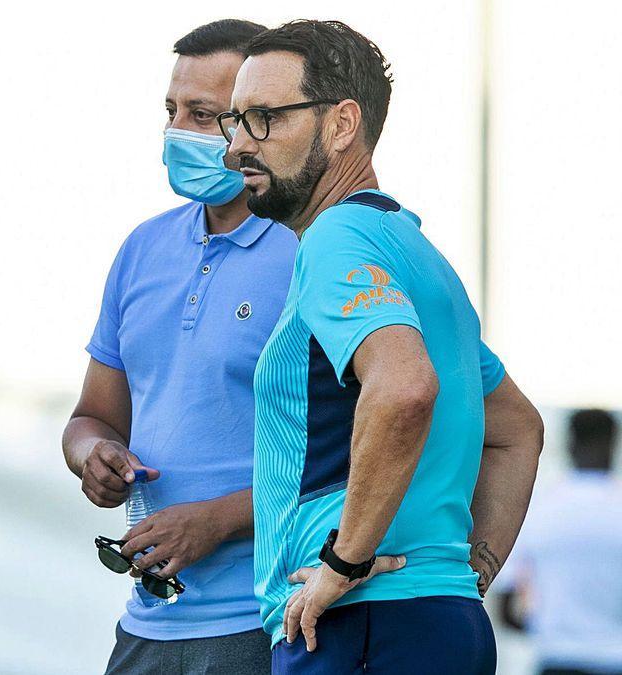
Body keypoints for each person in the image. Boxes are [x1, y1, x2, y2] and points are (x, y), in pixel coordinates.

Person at [225, 19, 545, 674]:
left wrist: (344, 562)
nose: (236, 148)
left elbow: (404, 386)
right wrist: (464, 574)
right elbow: (518, 429)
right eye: (234, 122)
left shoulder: (337, 236)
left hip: (359, 622)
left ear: (342, 125)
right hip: (432, 620)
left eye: (263, 119)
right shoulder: (418, 251)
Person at [61, 18, 298, 675]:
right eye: (172, 111)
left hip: (268, 622)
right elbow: (94, 416)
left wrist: (216, 521)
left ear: (260, 120)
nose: (178, 132)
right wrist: (94, 454)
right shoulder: (143, 249)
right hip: (148, 624)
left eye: (203, 114)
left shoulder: (311, 252)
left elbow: (364, 451)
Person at [496, 409, 622, 675]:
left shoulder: (538, 507)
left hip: (556, 658)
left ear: (570, 443)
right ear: (614, 442)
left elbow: (507, 610)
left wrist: (549, 628)